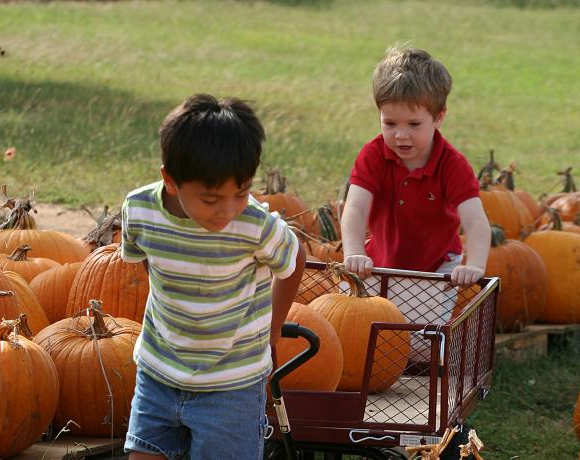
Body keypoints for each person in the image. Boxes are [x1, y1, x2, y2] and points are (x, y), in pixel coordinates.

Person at [120, 93, 306, 460]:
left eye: (240, 193)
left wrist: (273, 329)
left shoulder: (255, 225)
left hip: (232, 385)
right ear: (171, 181)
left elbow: (294, 258)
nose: (228, 210)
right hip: (158, 372)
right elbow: (149, 263)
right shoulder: (140, 212)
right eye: (210, 199)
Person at [341, 46, 490, 330]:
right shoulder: (374, 154)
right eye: (390, 123)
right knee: (355, 329)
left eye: (413, 124)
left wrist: (475, 265)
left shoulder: (452, 165)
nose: (400, 134)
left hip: (435, 269)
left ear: (438, 117)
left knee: (420, 345)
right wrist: (353, 252)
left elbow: (475, 220)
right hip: (379, 263)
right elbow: (355, 209)